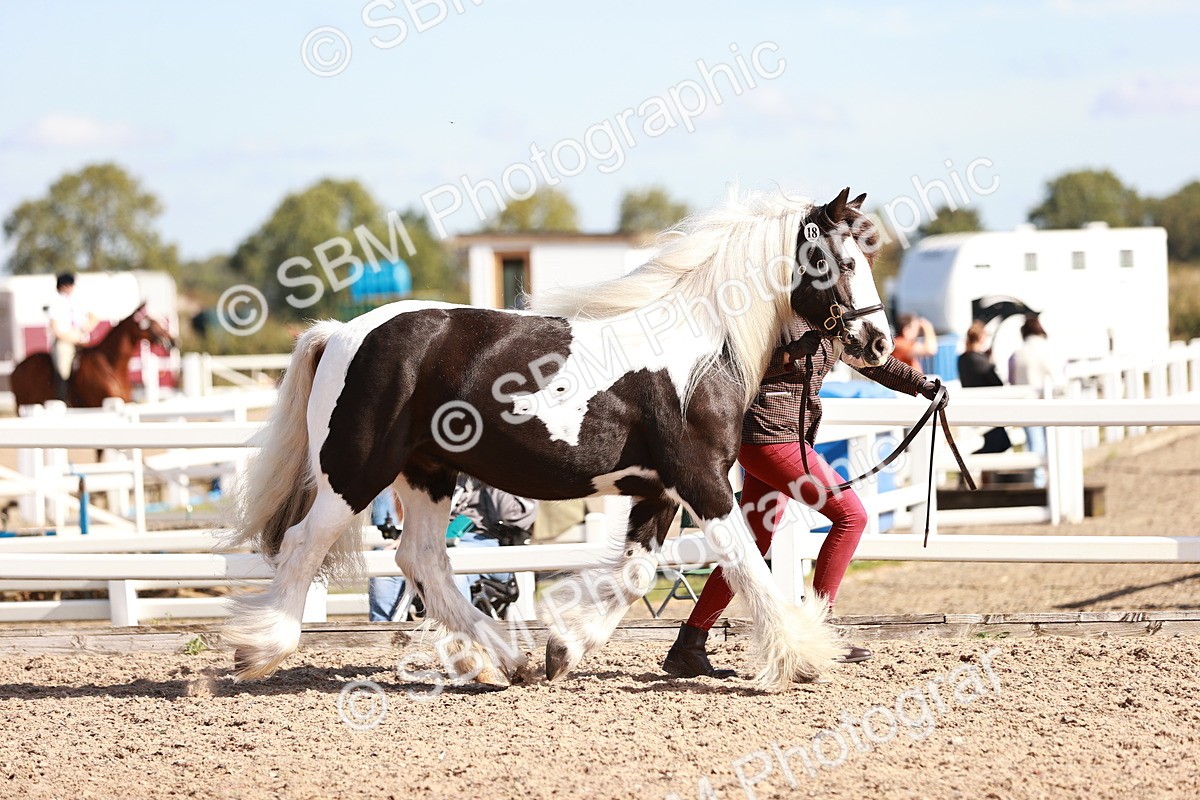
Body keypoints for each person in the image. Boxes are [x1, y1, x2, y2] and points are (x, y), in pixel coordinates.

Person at [661, 315, 945, 678]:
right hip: (768, 436)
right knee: (851, 516)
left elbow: (870, 360)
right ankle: (819, 633)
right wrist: (788, 354)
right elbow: (735, 370)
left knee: (752, 543)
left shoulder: (833, 321)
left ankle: (689, 644)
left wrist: (922, 385)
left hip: (787, 438)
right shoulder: (773, 316)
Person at [368, 474, 538, 622]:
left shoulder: (507, 466)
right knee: (386, 569)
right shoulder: (448, 470)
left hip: (485, 542)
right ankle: (383, 636)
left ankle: (456, 640)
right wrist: (410, 537)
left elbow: (515, 514)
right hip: (436, 537)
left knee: (450, 570)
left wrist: (488, 472)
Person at [1008, 315, 1061, 488]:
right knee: (1053, 446)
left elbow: (1012, 381)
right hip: (1050, 405)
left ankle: (1038, 485)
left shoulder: (1017, 355)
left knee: (1035, 446)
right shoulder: (1050, 351)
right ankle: (1055, 483)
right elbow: (1060, 379)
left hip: (1027, 406)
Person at [957, 320, 1011, 455]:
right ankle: (969, 463)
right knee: (998, 444)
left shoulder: (963, 359)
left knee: (996, 443)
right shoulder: (980, 361)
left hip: (975, 405)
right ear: (981, 337)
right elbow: (997, 383)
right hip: (988, 407)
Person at [46, 273, 96, 401]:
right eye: (69, 285)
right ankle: (62, 397)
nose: (71, 288)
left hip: (82, 339)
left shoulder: (79, 300)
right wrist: (72, 338)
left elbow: (94, 317)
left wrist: (86, 329)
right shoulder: (55, 303)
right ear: (63, 286)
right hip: (64, 340)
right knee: (63, 368)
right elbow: (56, 330)